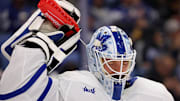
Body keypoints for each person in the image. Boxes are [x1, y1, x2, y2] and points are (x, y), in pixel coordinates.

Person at [0, 0, 174, 101]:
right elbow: (14, 95)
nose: (119, 70)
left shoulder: (156, 93)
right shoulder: (71, 84)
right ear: (96, 59)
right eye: (111, 62)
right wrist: (38, 44)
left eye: (124, 62)